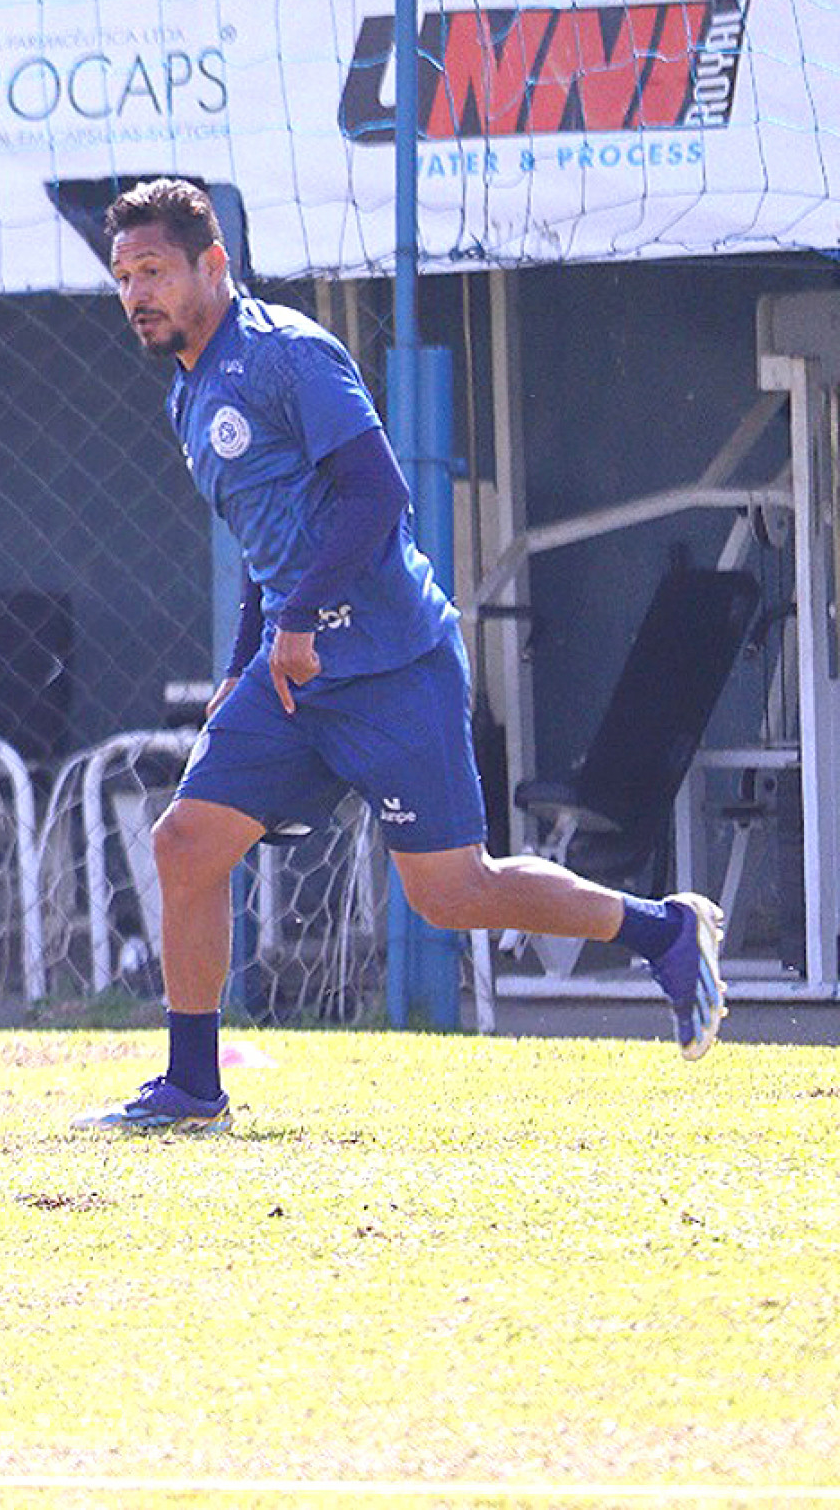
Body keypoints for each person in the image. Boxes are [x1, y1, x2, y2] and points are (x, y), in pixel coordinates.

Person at [83, 179, 725, 1134]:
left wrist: (295, 618)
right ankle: (191, 1089)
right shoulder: (188, 390)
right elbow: (271, 544)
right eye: (123, 275)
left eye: (155, 272)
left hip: (391, 667)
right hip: (293, 674)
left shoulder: (287, 355)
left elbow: (376, 496)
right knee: (185, 843)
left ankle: (663, 931)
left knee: (452, 894)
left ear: (213, 267)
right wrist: (241, 662)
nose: (137, 292)